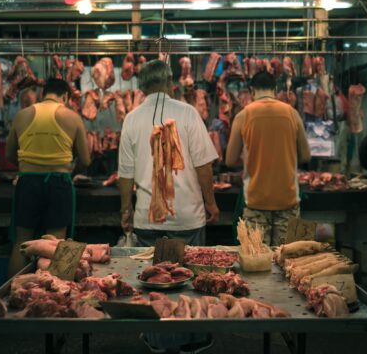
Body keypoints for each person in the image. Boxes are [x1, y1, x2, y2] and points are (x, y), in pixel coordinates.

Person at [118, 60, 219, 353]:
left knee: (155, 282)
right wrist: (211, 203)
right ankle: (191, 340)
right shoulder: (187, 113)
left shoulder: (132, 119)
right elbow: (203, 166)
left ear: (142, 87)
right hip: (188, 218)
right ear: (170, 82)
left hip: (148, 220)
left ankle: (158, 340)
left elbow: (125, 175)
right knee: (190, 283)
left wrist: (126, 211)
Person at [6, 78, 91, 276]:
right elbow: (85, 160)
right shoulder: (72, 117)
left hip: (28, 182)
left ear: (44, 93)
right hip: (59, 182)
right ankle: (54, 299)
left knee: (22, 242)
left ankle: (11, 296)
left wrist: (31, 165)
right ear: (66, 96)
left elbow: (10, 155)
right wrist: (69, 169)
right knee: (55, 243)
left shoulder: (22, 115)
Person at [226, 71, 311, 246]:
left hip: (256, 203)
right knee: (289, 262)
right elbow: (305, 156)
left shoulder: (243, 116)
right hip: (289, 201)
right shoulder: (292, 113)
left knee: (257, 263)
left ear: (251, 90)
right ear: (275, 89)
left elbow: (229, 160)